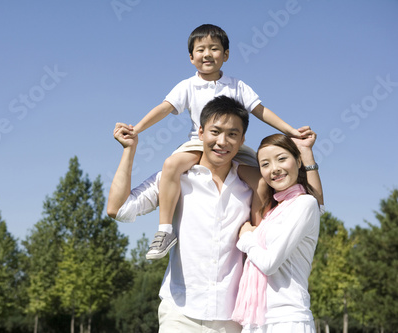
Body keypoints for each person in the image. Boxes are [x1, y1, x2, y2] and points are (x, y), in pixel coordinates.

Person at [108, 96, 319, 332]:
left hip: (232, 318)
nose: (222, 141)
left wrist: (306, 156)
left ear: (242, 140)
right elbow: (119, 209)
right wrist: (129, 150)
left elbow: (309, 204)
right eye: (215, 131)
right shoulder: (176, 178)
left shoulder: (255, 185)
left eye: (232, 134)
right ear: (200, 132)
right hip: (180, 312)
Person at [121, 24, 309, 260]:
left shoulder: (237, 86)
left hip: (234, 147)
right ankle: (165, 230)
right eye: (200, 50)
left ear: (226, 55)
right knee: (170, 165)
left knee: (262, 182)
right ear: (191, 57)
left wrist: (290, 130)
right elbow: (164, 109)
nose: (207, 54)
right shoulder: (187, 86)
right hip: (198, 145)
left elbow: (261, 111)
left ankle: (259, 232)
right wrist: (136, 128)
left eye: (214, 49)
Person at [231, 133, 324, 333]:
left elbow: (269, 263)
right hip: (256, 322)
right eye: (265, 164)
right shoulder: (273, 213)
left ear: (298, 161)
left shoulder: (305, 203)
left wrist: (246, 237)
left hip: (287, 320)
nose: (274, 169)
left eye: (282, 159)